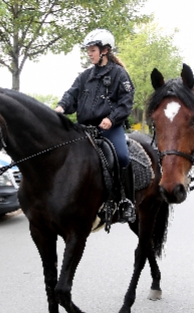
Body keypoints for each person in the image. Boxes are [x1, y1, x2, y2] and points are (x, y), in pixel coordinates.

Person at [55, 28, 136, 223]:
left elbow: (126, 101)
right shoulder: (84, 76)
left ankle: (125, 201)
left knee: (123, 157)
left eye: (92, 50)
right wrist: (60, 107)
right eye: (88, 50)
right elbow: (71, 95)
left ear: (105, 50)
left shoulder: (119, 74)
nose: (89, 54)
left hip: (110, 127)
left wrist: (112, 118)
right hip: (84, 129)